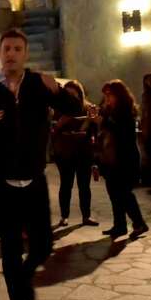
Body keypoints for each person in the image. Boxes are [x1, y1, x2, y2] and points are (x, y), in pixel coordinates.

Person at [0, 29, 80, 300]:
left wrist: (56, 92)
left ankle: (24, 277)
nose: (11, 54)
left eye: (17, 48)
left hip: (34, 179)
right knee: (10, 248)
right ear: (0, 53)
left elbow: (75, 108)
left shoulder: (38, 84)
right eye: (7, 48)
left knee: (43, 244)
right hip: (0, 182)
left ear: (25, 54)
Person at [95, 80, 149, 240]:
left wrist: (103, 120)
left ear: (119, 95)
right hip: (110, 157)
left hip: (125, 157)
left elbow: (122, 133)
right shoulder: (110, 110)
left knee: (124, 193)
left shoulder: (125, 111)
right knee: (113, 192)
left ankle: (139, 223)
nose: (107, 98)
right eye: (105, 95)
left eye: (110, 95)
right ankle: (119, 225)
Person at [51, 80, 98, 228]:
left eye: (74, 94)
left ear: (80, 94)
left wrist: (92, 121)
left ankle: (86, 216)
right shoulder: (58, 109)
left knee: (84, 185)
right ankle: (64, 217)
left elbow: (92, 131)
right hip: (64, 152)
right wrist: (60, 123)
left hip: (83, 152)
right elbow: (52, 131)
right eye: (68, 94)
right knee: (66, 185)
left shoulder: (87, 107)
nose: (71, 97)